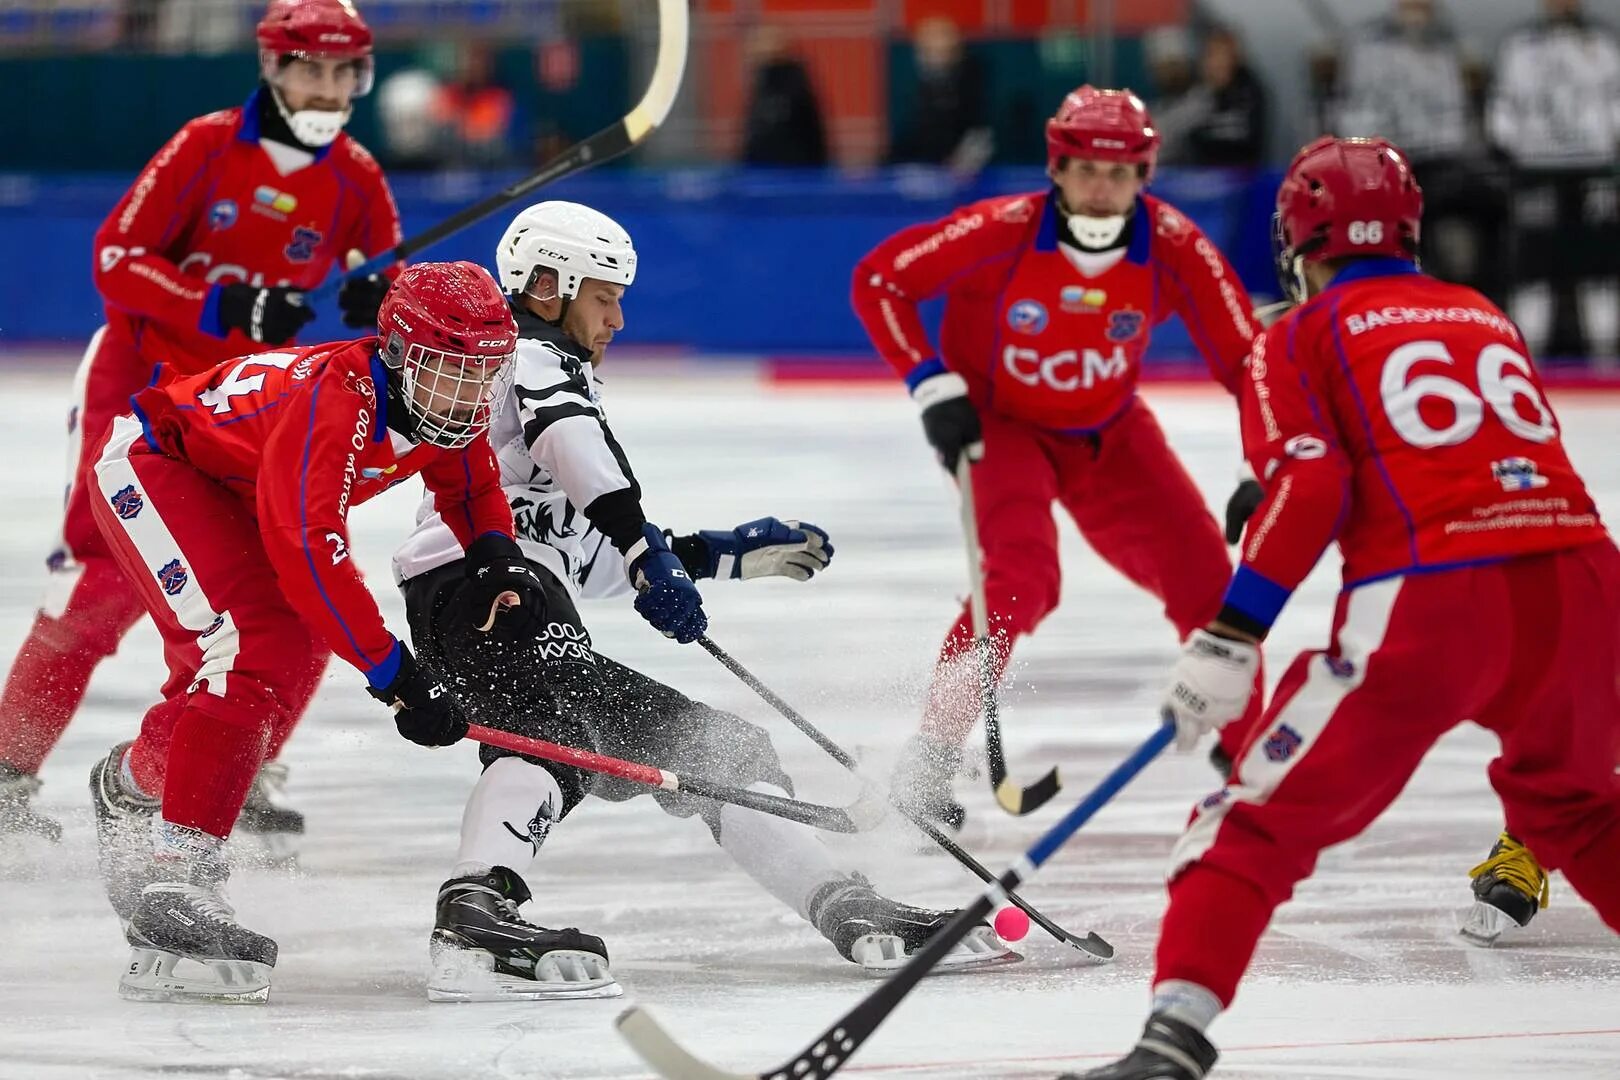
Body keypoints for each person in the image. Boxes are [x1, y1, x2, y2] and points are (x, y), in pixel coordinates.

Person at [1070, 136, 1620, 1080]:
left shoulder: (1293, 333)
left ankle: (1170, 1043)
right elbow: (1448, 452)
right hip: (1584, 582)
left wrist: (1232, 633)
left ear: (1299, 239)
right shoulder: (1480, 311)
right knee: (1574, 809)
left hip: (1438, 602)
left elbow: (1317, 479)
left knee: (1250, 819)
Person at [390, 201, 1019, 1001]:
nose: (618, 317)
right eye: (604, 296)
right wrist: (647, 550)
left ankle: (849, 908)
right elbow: (580, 455)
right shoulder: (524, 355)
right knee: (545, 738)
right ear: (546, 286)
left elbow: (582, 547)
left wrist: (715, 556)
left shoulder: (523, 389)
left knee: (724, 751)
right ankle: (475, 909)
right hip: (479, 591)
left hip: (516, 594)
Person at [0, 0, 401, 849]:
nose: (325, 88)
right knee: (98, 589)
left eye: (342, 72)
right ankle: (6, 773)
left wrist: (381, 296)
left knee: (281, 594)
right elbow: (115, 258)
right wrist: (224, 300)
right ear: (273, 67)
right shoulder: (205, 144)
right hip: (139, 384)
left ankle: (238, 760)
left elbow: (390, 288)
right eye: (309, 68)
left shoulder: (359, 178)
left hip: (245, 412)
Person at [87, 261, 524, 1004]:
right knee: (247, 652)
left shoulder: (436, 404)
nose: (469, 394)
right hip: (155, 468)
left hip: (234, 488)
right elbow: (309, 551)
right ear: (398, 353)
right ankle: (175, 880)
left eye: (483, 373)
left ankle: (134, 781)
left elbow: (472, 484)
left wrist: (495, 560)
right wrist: (397, 677)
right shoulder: (337, 399)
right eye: (450, 369)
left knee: (285, 660)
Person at [849, 85, 1263, 831]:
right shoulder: (1001, 228)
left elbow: (1249, 361)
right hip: (1000, 428)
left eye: (1120, 172)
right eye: (1085, 170)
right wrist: (929, 383)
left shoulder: (1175, 244)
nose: (1102, 190)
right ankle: (930, 759)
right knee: (1020, 577)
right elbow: (881, 280)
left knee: (1210, 580)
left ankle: (1249, 756)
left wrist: (1262, 463)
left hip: (1110, 432)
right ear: (1057, 166)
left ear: (1145, 174)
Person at [1487, 0, 1620, 361]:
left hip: (1593, 168)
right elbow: (1502, 106)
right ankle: (1528, 356)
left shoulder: (1604, 44)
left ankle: (1605, 357)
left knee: (1600, 265)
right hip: (1536, 168)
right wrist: (1513, 145)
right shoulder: (1519, 47)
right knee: (1534, 265)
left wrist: (1606, 141)